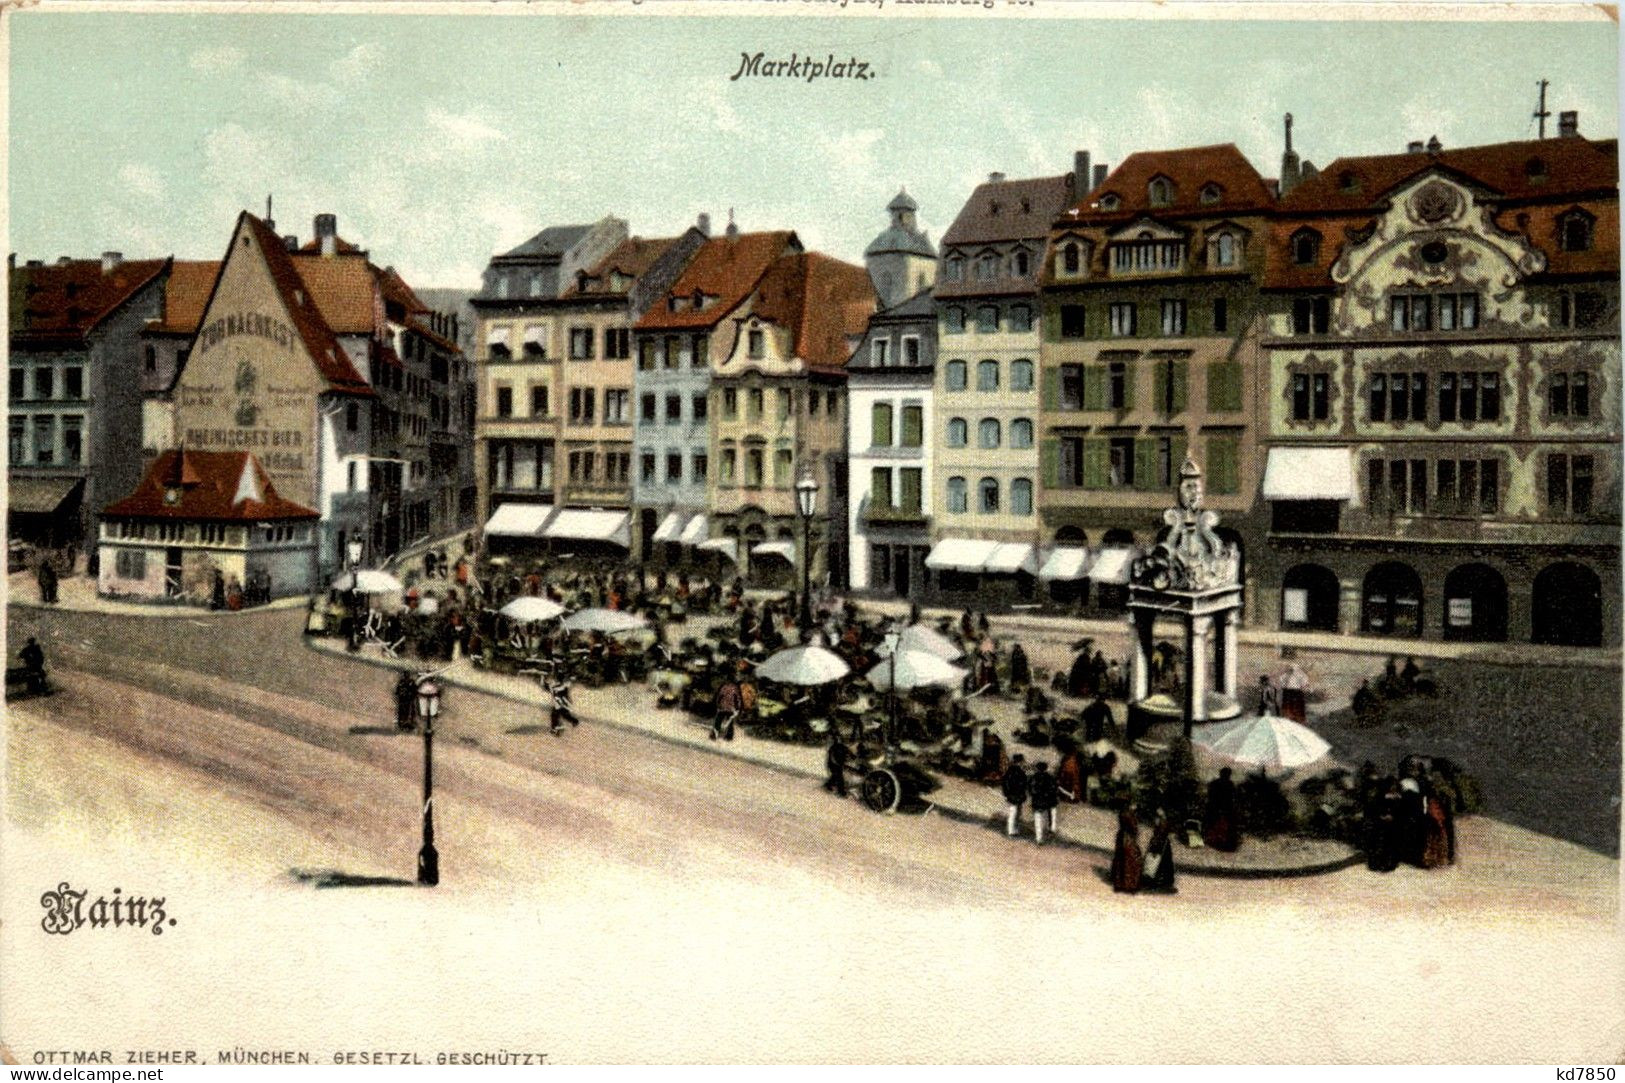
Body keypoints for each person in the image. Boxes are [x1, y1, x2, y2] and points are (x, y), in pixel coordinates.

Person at [1202, 767, 1240, 851]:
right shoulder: (1223, 784)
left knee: (1226, 826)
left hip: (1223, 808)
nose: (1227, 776)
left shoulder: (1228, 784)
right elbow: (1211, 796)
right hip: (1217, 808)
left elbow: (1233, 797)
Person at [1143, 810, 1178, 893]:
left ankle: (1161, 881)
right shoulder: (1160, 820)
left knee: (1163, 862)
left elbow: (1162, 831)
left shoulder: (1163, 821)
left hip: (1161, 843)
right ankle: (1155, 880)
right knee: (1158, 862)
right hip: (1159, 842)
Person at [1110, 808, 1143, 894]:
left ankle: (1119, 884)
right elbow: (1134, 828)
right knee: (1131, 861)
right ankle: (1129, 885)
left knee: (1120, 860)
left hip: (1121, 838)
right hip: (1128, 840)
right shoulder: (1129, 814)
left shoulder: (1123, 812)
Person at [1028, 761, 1058, 844]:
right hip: (1046, 802)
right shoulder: (1050, 778)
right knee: (1044, 819)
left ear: (1037, 768)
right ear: (1046, 768)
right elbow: (1053, 790)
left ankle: (1039, 838)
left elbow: (1030, 790)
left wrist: (1034, 795)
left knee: (1037, 820)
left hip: (1036, 801)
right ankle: (1043, 836)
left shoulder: (1033, 777)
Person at [1001, 754, 1029, 838]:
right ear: (1019, 762)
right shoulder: (1017, 771)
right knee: (1014, 813)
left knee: (1015, 813)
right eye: (1022, 761)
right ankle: (1011, 830)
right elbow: (1006, 783)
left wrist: (1006, 794)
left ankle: (1013, 829)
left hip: (1014, 795)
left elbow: (1005, 783)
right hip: (1016, 795)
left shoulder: (1011, 771)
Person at [713, 676, 741, 741]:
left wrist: (718, 705)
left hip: (722, 707)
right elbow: (737, 699)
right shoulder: (735, 688)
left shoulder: (724, 687)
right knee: (730, 723)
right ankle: (729, 737)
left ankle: (715, 734)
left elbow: (720, 696)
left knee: (718, 721)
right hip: (731, 708)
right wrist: (737, 708)